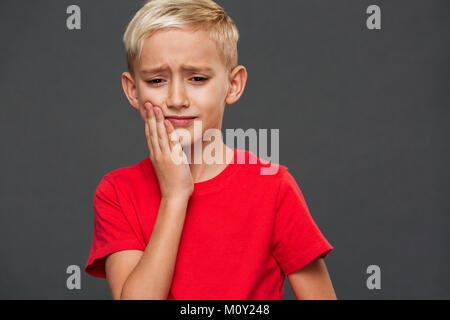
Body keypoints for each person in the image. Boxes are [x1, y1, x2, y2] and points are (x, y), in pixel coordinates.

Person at [84, 0, 337, 300]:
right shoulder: (117, 192)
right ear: (132, 90)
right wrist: (175, 197)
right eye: (156, 80)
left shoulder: (273, 187)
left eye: (198, 79)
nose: (176, 98)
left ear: (233, 85)